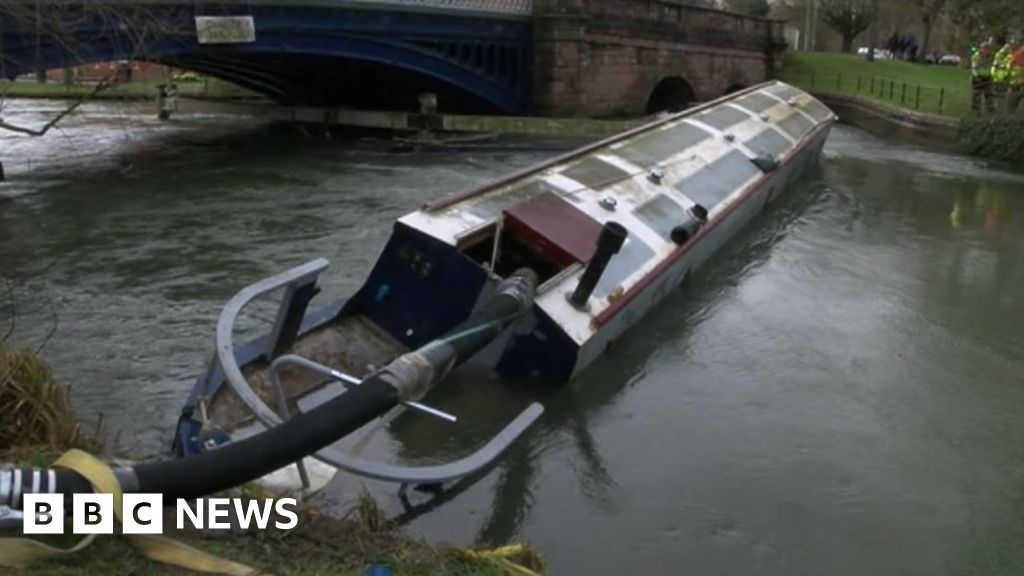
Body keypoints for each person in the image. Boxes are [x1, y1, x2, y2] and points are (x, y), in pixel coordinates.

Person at [991, 39, 1017, 110]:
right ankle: (998, 106)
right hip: (998, 77)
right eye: (1007, 48)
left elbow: (1009, 65)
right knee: (998, 93)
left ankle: (1001, 107)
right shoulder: (999, 55)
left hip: (1005, 77)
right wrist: (994, 75)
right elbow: (995, 65)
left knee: (1003, 93)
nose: (1008, 49)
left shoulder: (1010, 55)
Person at [971, 42, 997, 114]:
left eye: (988, 49)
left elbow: (992, 66)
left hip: (988, 77)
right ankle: (976, 108)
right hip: (978, 77)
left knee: (989, 93)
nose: (987, 51)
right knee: (977, 93)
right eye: (986, 49)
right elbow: (974, 67)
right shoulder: (976, 56)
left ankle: (990, 108)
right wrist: (976, 76)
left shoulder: (990, 56)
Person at [1008, 44, 1024, 113]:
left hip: (1019, 78)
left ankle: (1013, 107)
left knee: (1017, 93)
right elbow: (1011, 64)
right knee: (1015, 93)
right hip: (1016, 78)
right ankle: (1012, 108)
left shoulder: (1017, 54)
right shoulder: (1017, 55)